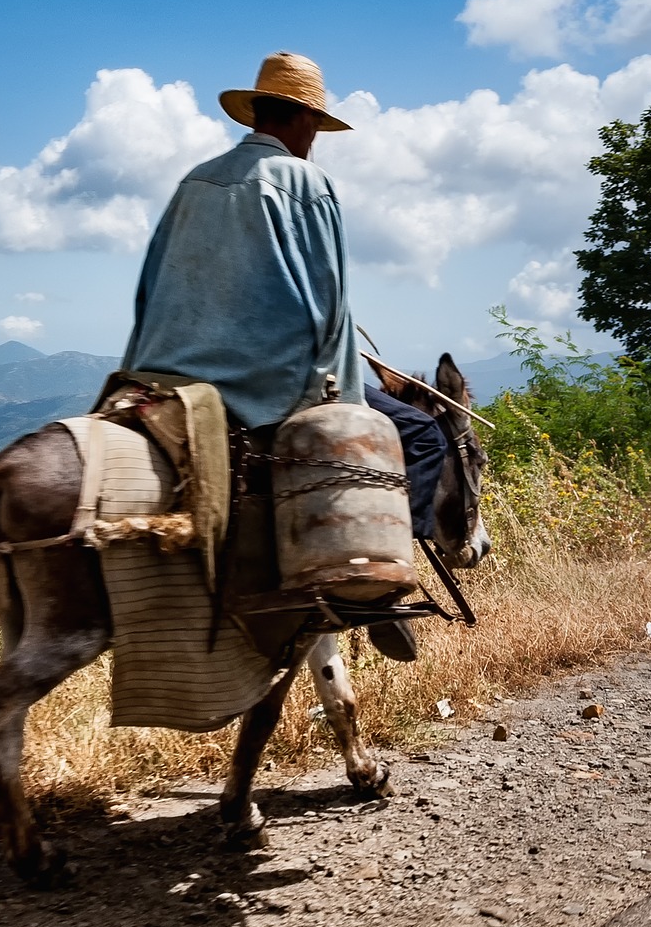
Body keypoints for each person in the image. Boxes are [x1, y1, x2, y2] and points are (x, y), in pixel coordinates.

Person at [123, 52, 443, 655]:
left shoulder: (195, 180)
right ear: (302, 121)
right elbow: (330, 305)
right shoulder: (308, 183)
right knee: (423, 436)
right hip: (266, 383)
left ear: (257, 113)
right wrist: (345, 404)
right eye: (315, 128)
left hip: (165, 375)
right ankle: (383, 591)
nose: (314, 141)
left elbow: (148, 289)